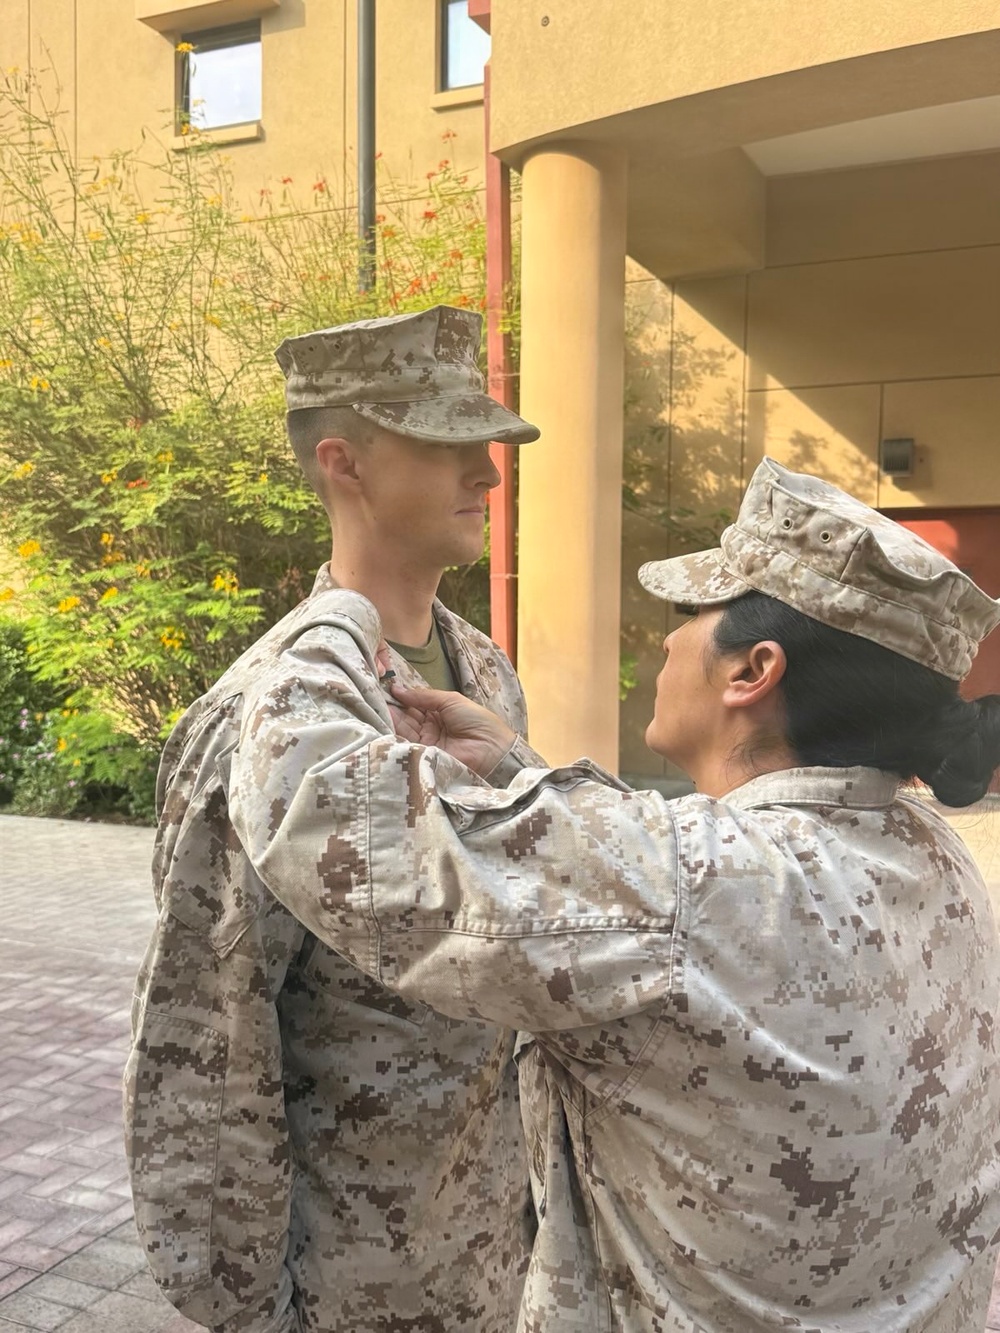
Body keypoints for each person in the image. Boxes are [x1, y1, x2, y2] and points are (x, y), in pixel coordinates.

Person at [227, 458, 1000, 1332]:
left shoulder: (686, 886)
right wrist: (518, 769)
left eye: (690, 615)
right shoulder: (932, 853)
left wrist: (337, 609)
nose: (668, 641)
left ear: (753, 670)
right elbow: (658, 902)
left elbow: (317, 806)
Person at [123, 305, 542, 1333]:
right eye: (447, 446)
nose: (486, 476)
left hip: (497, 1239)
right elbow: (209, 1037)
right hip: (353, 1274)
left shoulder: (484, 672)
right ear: (344, 460)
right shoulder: (265, 715)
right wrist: (243, 1302)